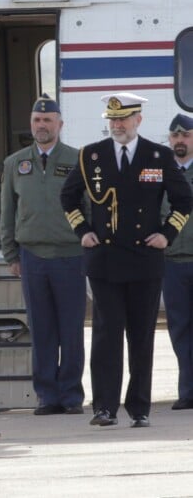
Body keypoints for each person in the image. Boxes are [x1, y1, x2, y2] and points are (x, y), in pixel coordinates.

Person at [61, 93, 192, 428]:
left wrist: (167, 234)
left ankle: (139, 407)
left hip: (144, 258)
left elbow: (183, 201)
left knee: (141, 335)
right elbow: (68, 195)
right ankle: (104, 406)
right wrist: (83, 231)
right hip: (104, 257)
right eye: (112, 119)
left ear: (138, 120)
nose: (117, 125)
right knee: (106, 334)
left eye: (123, 119)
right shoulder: (92, 155)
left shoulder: (158, 155)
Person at [0, 94, 86, 416]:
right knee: (42, 329)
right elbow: (7, 212)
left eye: (48, 120)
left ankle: (72, 395)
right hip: (32, 256)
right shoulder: (15, 163)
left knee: (71, 329)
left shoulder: (78, 160)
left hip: (70, 256)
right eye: (37, 120)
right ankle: (47, 396)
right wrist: (12, 254)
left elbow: (88, 206)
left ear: (59, 125)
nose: (42, 125)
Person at [162, 113, 193, 410]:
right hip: (171, 262)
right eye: (175, 137)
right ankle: (187, 392)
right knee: (180, 328)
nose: (180, 141)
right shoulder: (159, 172)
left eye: (185, 136)